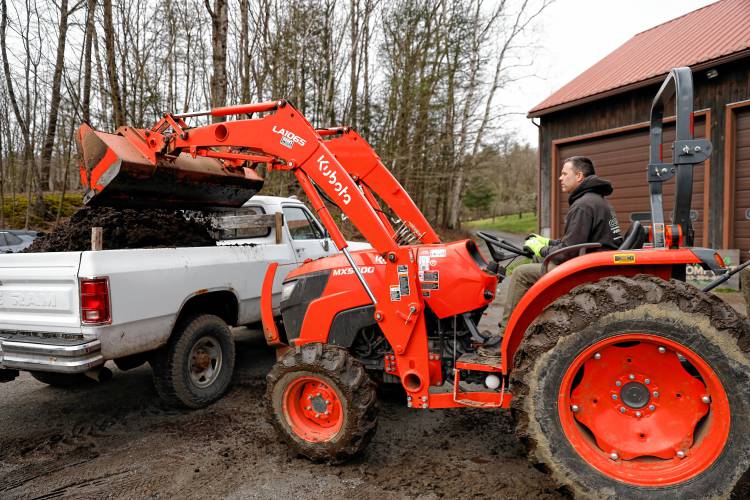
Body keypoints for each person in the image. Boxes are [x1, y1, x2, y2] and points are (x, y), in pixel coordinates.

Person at [499, 156, 622, 332]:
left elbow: (566, 253)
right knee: (536, 262)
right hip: (593, 262)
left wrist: (541, 248)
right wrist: (548, 242)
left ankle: (506, 334)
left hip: (588, 271)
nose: (560, 178)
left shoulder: (583, 205)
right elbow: (578, 242)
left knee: (521, 274)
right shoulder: (597, 200)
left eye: (564, 173)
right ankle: (535, 326)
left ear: (579, 176)